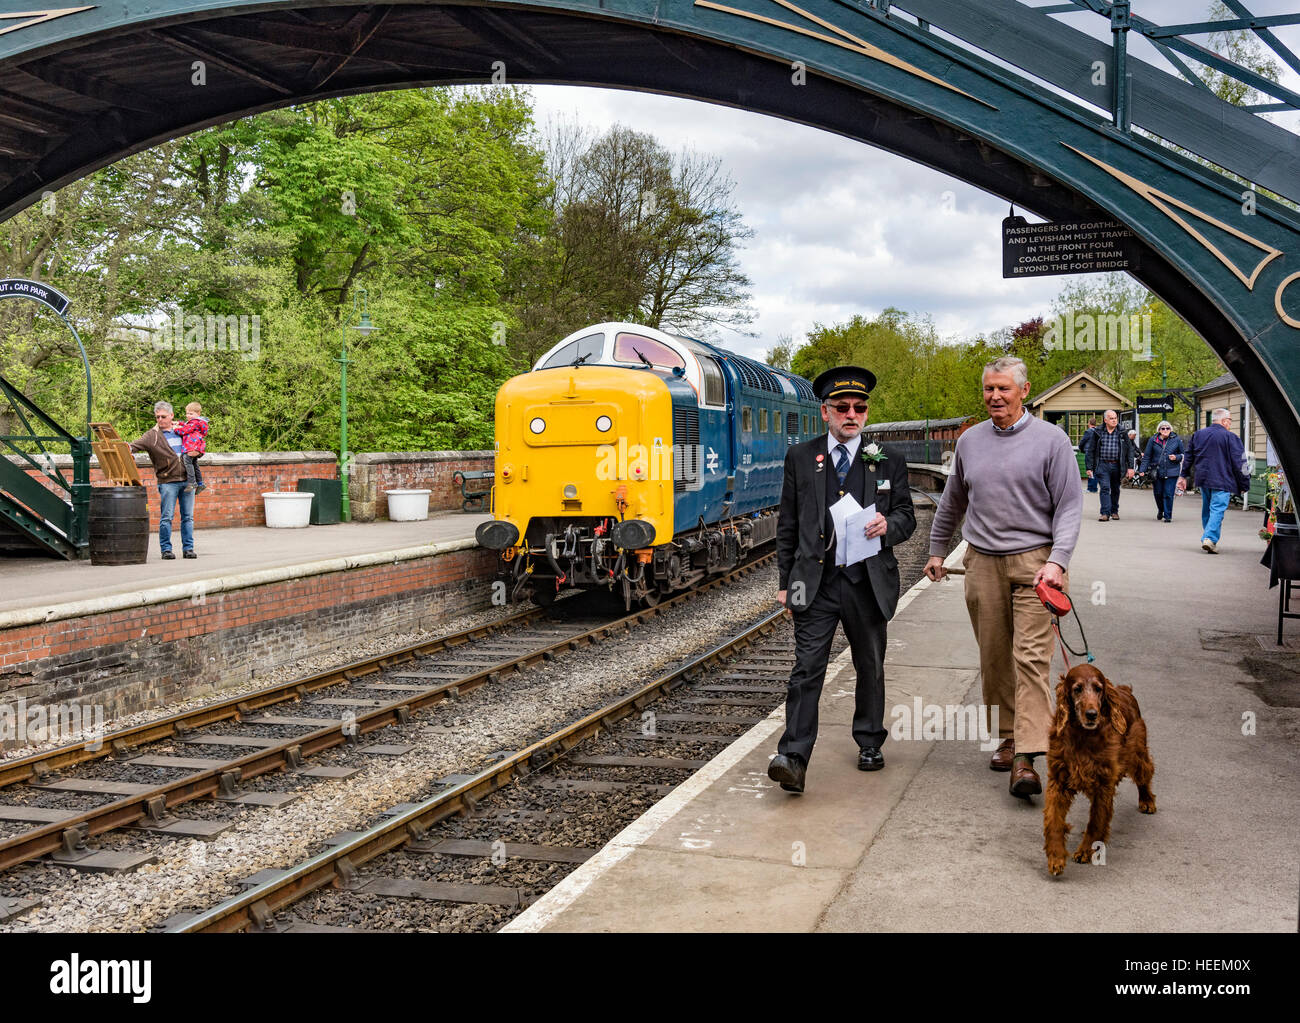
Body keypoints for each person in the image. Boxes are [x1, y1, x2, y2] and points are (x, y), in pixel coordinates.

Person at [924, 357, 1082, 798]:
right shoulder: (971, 441)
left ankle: (1028, 758)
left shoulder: (1053, 442)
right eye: (989, 389)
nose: (995, 396)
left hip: (1037, 565)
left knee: (1031, 657)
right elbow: (953, 501)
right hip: (983, 562)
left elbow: (1069, 506)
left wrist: (1059, 561)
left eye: (1004, 389)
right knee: (994, 657)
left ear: (1024, 390)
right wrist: (938, 550)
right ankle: (1009, 736)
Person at [767, 366, 916, 793]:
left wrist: (890, 525)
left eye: (859, 407)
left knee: (869, 665)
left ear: (866, 412)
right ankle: (793, 756)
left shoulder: (889, 459)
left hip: (867, 583)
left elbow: (907, 515)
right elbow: (788, 525)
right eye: (842, 407)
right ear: (825, 412)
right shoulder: (801, 457)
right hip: (814, 583)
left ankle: (869, 740)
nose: (851, 414)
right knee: (806, 668)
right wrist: (785, 582)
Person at [1177, 408, 1250, 554]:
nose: (1230, 423)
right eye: (1230, 421)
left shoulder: (1198, 435)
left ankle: (1209, 540)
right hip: (1223, 479)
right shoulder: (1231, 437)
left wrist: (1182, 476)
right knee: (1217, 509)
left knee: (1207, 509)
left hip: (1203, 479)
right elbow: (1241, 463)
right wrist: (1245, 483)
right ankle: (1209, 538)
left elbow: (1188, 456)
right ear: (1224, 421)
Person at [128, 400, 196, 560]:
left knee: (188, 518)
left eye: (163, 416)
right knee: (167, 517)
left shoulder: (183, 430)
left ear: (171, 415)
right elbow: (132, 446)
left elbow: (198, 444)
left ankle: (188, 549)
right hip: (167, 482)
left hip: (188, 480)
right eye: (157, 417)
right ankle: (166, 550)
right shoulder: (152, 436)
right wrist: (123, 450)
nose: (159, 419)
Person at [1083, 409, 1137, 521]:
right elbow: (1091, 450)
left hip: (1117, 465)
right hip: (1102, 465)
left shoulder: (1122, 432)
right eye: (1111, 418)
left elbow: (1130, 450)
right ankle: (1105, 513)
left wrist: (1131, 467)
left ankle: (1114, 511)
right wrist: (1089, 467)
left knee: (1115, 489)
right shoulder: (1098, 432)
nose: (1114, 420)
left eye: (1115, 418)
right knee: (1105, 488)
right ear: (1105, 420)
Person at [1140, 421, 1183, 522]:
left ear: (1170, 429)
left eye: (1167, 428)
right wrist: (1142, 469)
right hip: (1157, 471)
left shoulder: (1176, 440)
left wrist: (1176, 457)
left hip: (1172, 471)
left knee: (1168, 493)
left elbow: (1183, 454)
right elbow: (1147, 456)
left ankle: (1168, 516)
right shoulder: (1153, 440)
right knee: (1158, 493)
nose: (1165, 430)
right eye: (1163, 428)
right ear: (1159, 430)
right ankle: (1161, 510)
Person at [173, 401, 209, 494]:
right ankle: (200, 483)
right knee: (195, 464)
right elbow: (187, 425)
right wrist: (179, 423)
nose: (188, 415)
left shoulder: (195, 423)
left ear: (198, 413)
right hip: (196, 447)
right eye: (187, 413)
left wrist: (175, 429)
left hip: (191, 448)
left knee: (187, 462)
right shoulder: (196, 422)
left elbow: (185, 430)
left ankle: (192, 483)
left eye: (191, 414)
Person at [1079, 419, 1100, 493]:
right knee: (1094, 469)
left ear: (1089, 423)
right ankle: (1093, 487)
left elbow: (1082, 441)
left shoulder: (1088, 431)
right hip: (1097, 453)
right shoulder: (1098, 432)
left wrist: (1081, 449)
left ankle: (1091, 488)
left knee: (1089, 469)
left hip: (1089, 452)